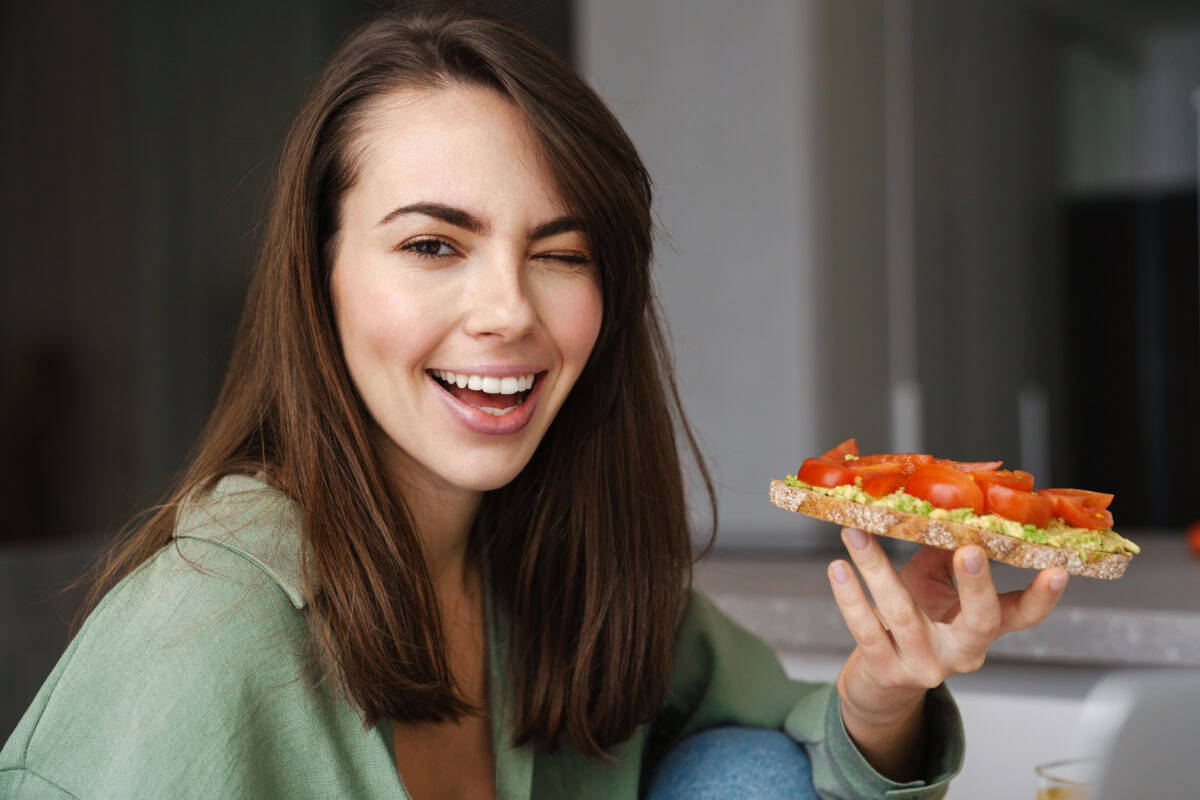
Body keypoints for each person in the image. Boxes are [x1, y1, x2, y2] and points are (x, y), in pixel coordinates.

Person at [0, 7, 1068, 799]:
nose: (509, 310)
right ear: (315, 276)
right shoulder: (206, 626)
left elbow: (796, 744)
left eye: (560, 254)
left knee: (751, 772)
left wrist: (884, 690)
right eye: (433, 245)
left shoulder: (555, 557)